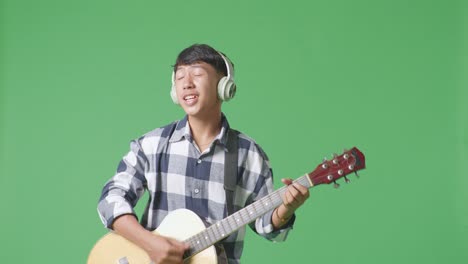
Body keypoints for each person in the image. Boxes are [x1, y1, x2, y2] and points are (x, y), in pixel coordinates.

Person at [97, 44, 310, 264]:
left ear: (223, 86)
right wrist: (149, 244)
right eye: (180, 77)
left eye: (197, 74)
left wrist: (285, 209)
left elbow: (266, 226)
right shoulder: (152, 145)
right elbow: (111, 198)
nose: (187, 83)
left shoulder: (249, 154)